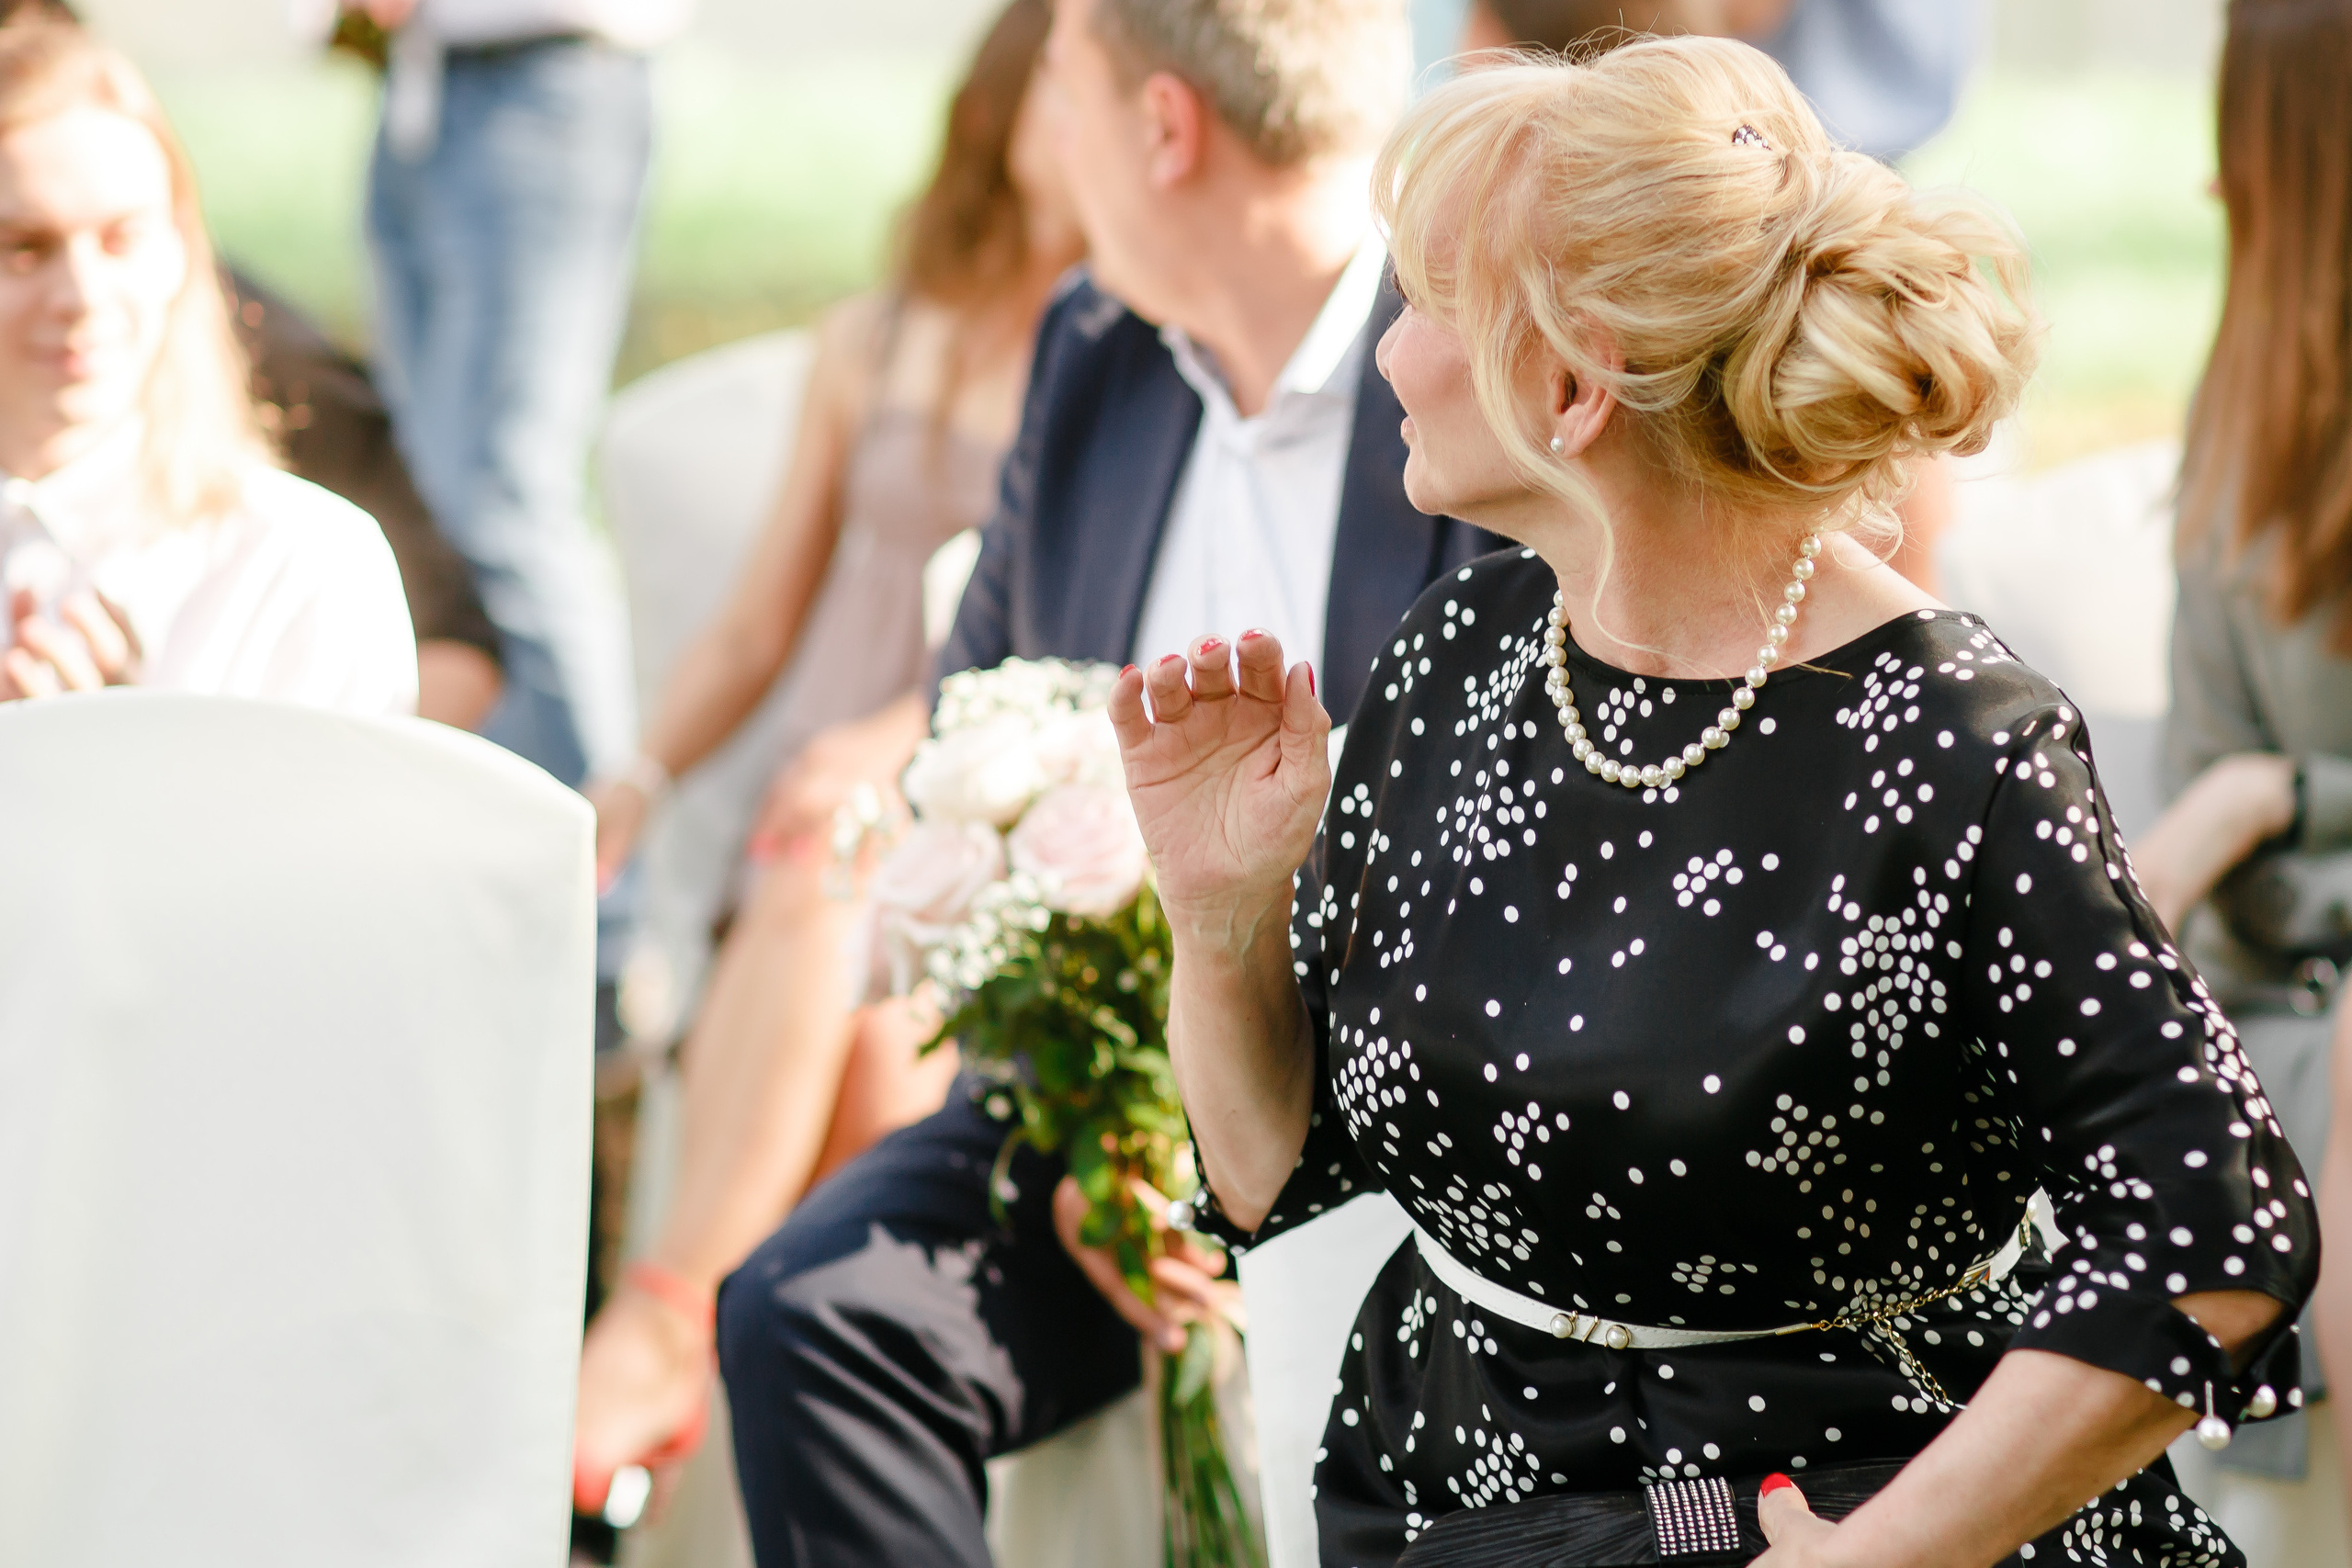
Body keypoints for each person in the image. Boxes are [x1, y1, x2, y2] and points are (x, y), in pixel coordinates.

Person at [1108, 36, 2314, 1568]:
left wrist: (1893, 1551)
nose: (1386, 358)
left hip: (1823, 1518)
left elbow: (2217, 1229)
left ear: (1571, 377)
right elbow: (1274, 1170)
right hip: (1453, 1519)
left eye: (1428, 306)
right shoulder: (1459, 655)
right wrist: (1221, 920)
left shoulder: (1946, 739)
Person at [712, 0, 1500, 1561]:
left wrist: (1224, 1150)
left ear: (1161, 129)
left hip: (1417, 1143)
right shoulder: (1091, 348)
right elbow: (972, 741)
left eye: (1061, 102)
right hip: (1096, 1124)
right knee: (814, 1311)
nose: (1046, 149)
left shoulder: (1476, 356)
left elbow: (1505, 861)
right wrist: (1100, 1139)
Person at [564, 0, 1084, 1517]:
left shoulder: (1121, 350)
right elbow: (752, 622)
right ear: (1004, 112)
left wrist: (898, 743)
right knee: (847, 954)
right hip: (809, 839)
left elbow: (1061, 643)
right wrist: (642, 776)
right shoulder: (881, 333)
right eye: (1072, 94)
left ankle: (662, 1337)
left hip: (976, 818)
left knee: (859, 921)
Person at [2131, 0, 2352, 1499]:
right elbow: (2210, 874)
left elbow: (2233, 800)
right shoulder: (2246, 425)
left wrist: (2282, 797)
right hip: (2290, 1001)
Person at [0, 14, 414, 714]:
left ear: (181, 252)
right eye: (24, 248)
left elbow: (342, 823)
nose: (81, 295)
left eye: (121, 238)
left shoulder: (299, 563)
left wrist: (124, 763)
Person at [227, 270, 504, 730]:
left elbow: (456, 650)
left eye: (121, 239)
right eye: (56, 248)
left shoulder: (289, 384)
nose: (79, 295)